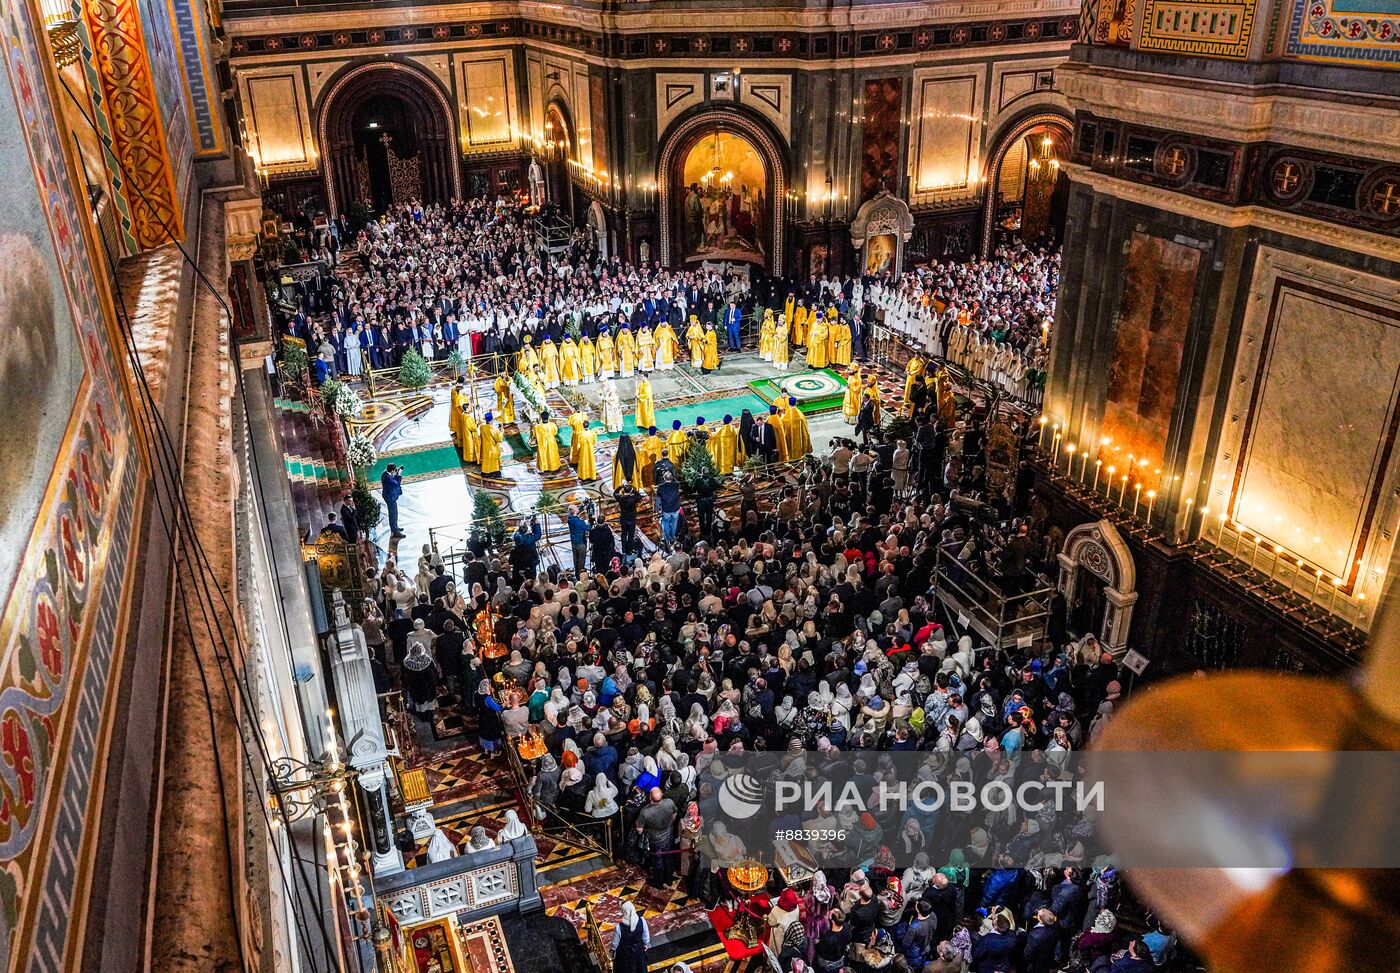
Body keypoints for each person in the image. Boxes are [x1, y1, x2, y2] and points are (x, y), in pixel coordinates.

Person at [610, 902, 651, 973]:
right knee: (639, 968)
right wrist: (646, 944)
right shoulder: (642, 921)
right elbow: (646, 936)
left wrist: (612, 950)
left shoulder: (619, 927)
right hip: (638, 950)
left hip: (624, 954)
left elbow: (615, 943)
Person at [381, 464, 405, 537]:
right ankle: (395, 531)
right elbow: (396, 484)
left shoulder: (386, 473)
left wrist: (395, 474)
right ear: (392, 470)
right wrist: (398, 475)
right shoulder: (387, 477)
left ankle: (395, 527)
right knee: (393, 514)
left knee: (394, 512)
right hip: (389, 497)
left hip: (390, 495)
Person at [479, 412, 502, 476]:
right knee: (493, 461)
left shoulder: (482, 427)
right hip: (492, 448)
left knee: (486, 460)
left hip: (485, 447)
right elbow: (499, 439)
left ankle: (485, 471)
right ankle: (494, 472)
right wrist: (501, 432)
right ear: (491, 420)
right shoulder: (493, 429)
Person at [568, 506, 590, 574]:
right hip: (581, 542)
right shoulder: (579, 522)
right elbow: (588, 528)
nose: (578, 508)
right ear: (575, 511)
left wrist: (583, 505)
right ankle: (580, 574)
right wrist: (591, 522)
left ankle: (576, 572)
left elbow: (575, 512)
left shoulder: (570, 518)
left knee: (576, 558)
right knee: (581, 559)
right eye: (576, 508)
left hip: (574, 541)